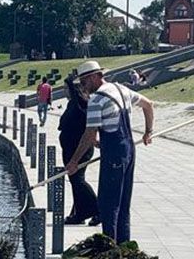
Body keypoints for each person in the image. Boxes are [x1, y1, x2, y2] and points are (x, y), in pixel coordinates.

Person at [65, 61, 154, 243]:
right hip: (128, 151)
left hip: (114, 155)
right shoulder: (121, 89)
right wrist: (148, 132)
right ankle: (123, 244)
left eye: (83, 82)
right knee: (123, 204)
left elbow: (89, 134)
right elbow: (148, 105)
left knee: (108, 204)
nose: (82, 87)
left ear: (93, 77)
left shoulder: (96, 100)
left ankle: (109, 247)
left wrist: (74, 162)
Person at [58, 74, 99, 225]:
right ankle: (78, 213)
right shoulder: (73, 104)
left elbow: (90, 127)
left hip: (79, 149)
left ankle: (97, 209)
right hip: (70, 147)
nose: (64, 91)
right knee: (75, 180)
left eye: (65, 88)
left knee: (78, 180)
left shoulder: (82, 104)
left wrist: (93, 140)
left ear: (73, 89)